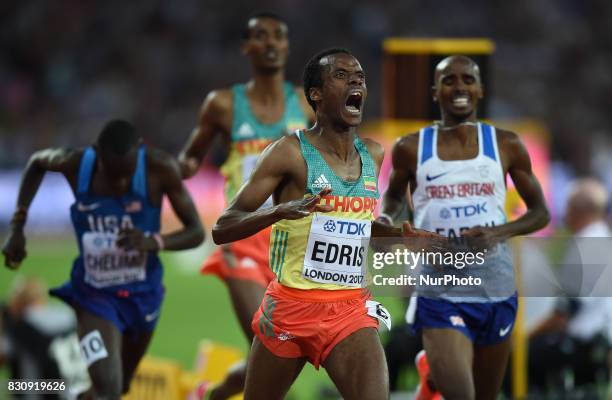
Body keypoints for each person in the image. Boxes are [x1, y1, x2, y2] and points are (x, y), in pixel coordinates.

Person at [211, 47, 423, 400]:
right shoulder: (288, 153)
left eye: (359, 76)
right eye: (341, 75)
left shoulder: (373, 154)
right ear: (316, 95)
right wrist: (277, 212)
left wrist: (399, 234)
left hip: (349, 308)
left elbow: (356, 228)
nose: (355, 79)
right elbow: (223, 227)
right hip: (290, 307)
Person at [381, 55, 550, 400]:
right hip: (440, 290)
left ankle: (431, 378)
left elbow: (541, 213)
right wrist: (387, 221)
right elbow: (395, 198)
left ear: (480, 90)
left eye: (467, 80)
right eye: (449, 80)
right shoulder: (411, 148)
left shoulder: (506, 145)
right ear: (434, 91)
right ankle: (438, 372)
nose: (459, 87)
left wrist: (498, 232)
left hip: (495, 289)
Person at [2, 120, 205, 399]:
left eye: (127, 174)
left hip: (143, 297)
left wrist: (154, 242)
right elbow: (37, 162)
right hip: (94, 295)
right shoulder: (76, 164)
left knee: (117, 388)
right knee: (108, 388)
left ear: (140, 152)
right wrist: (17, 226)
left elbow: (196, 231)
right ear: (97, 155)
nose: (121, 184)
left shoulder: (159, 169)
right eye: (113, 175)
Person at [178, 12, 313, 399]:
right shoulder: (222, 105)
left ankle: (212, 394)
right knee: (268, 338)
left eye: (278, 36)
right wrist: (175, 170)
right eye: (261, 36)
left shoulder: (304, 105)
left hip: (293, 239)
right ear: (247, 47)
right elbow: (190, 156)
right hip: (244, 234)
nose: (270, 43)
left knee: (281, 354)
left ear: (287, 46)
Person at [526, 178, 612, 394]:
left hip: (585, 346)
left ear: (577, 210)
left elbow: (564, 313)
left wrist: (525, 336)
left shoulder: (586, 246)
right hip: (601, 344)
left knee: (520, 359)